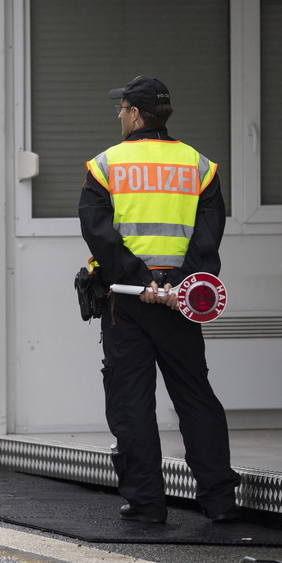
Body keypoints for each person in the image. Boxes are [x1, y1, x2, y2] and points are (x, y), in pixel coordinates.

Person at [78, 75, 242, 525]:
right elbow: (209, 236)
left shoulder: (105, 165)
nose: (119, 116)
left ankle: (148, 503)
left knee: (131, 401)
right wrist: (179, 284)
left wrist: (138, 279)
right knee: (194, 396)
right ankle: (219, 502)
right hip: (180, 302)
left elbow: (98, 232)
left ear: (134, 114)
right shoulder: (199, 166)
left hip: (127, 301)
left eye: (121, 109)